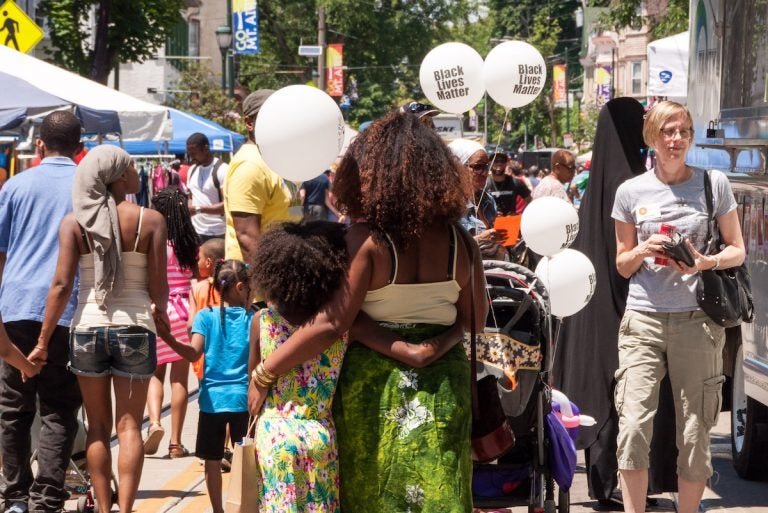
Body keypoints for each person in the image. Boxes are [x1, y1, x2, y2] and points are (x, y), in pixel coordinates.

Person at [247, 112, 487, 512]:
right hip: (443, 385)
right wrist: (429, 348)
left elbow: (333, 322)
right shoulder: (462, 242)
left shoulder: (368, 241)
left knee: (374, 494)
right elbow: (475, 321)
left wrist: (266, 371)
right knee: (440, 491)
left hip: (375, 391)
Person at [611, 101, 745, 513]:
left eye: (684, 131)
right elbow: (621, 263)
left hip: (697, 322)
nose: (676, 140)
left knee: (694, 432)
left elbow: (737, 250)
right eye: (668, 132)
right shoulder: (630, 192)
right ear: (652, 136)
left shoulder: (713, 184)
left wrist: (705, 261)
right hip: (643, 320)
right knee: (633, 427)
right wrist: (643, 250)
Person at [553, 98, 678, 511]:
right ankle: (641, 486)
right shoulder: (633, 183)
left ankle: (604, 486)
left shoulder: (599, 184)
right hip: (633, 303)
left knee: (609, 392)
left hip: (595, 307)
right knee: (637, 396)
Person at [37, 145, 168, 513]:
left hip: (87, 329)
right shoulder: (151, 220)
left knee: (97, 428)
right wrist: (168, 329)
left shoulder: (73, 223)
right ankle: (125, 510)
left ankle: (104, 508)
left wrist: (43, 341)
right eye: (130, 168)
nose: (136, 174)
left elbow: (61, 286)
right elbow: (159, 291)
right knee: (129, 428)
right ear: (118, 178)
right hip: (135, 328)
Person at [0, 111, 84, 513]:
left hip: (15, 305)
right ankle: (47, 497)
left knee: (14, 406)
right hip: (68, 310)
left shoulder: (14, 186)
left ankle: (15, 494)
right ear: (80, 147)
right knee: (59, 406)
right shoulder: (89, 189)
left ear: (39, 145)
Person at [154, 260, 252, 513]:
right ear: (240, 287)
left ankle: (218, 510)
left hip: (212, 401)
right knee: (248, 460)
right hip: (245, 400)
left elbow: (192, 353)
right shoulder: (254, 319)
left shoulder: (205, 317)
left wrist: (166, 336)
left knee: (212, 459)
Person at [144, 187, 199, 459]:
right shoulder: (190, 243)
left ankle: (154, 422)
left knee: (154, 372)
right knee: (180, 379)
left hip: (158, 310)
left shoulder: (155, 243)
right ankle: (176, 444)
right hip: (185, 311)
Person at [223, 90, 293, 263]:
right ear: (249, 123)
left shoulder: (280, 162)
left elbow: (293, 213)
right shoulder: (250, 165)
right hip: (263, 282)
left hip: (289, 271)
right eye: (272, 117)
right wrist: (273, 285)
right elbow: (247, 238)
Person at [187, 237, 225, 381]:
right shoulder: (232, 286)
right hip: (231, 356)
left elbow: (191, 325)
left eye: (198, 259)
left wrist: (194, 344)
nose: (196, 263)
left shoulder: (197, 289)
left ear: (208, 262)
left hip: (205, 357)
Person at [449, 139, 499, 241]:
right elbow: (447, 248)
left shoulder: (488, 200)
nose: (485, 173)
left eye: (486, 166)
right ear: (459, 168)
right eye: (478, 167)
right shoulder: (449, 206)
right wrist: (479, 239)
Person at [185, 134, 228, 242]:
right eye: (189, 154)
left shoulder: (222, 170)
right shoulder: (192, 170)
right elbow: (191, 196)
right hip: (195, 231)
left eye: (194, 153)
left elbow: (228, 205)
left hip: (218, 232)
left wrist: (198, 210)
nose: (192, 158)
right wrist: (189, 209)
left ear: (206, 149)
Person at [486, 151, 531, 216]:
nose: (499, 163)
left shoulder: (515, 182)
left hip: (510, 223)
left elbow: (530, 200)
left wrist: (521, 214)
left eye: (502, 161)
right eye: (495, 161)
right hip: (490, 224)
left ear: (506, 163)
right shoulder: (483, 184)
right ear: (490, 163)